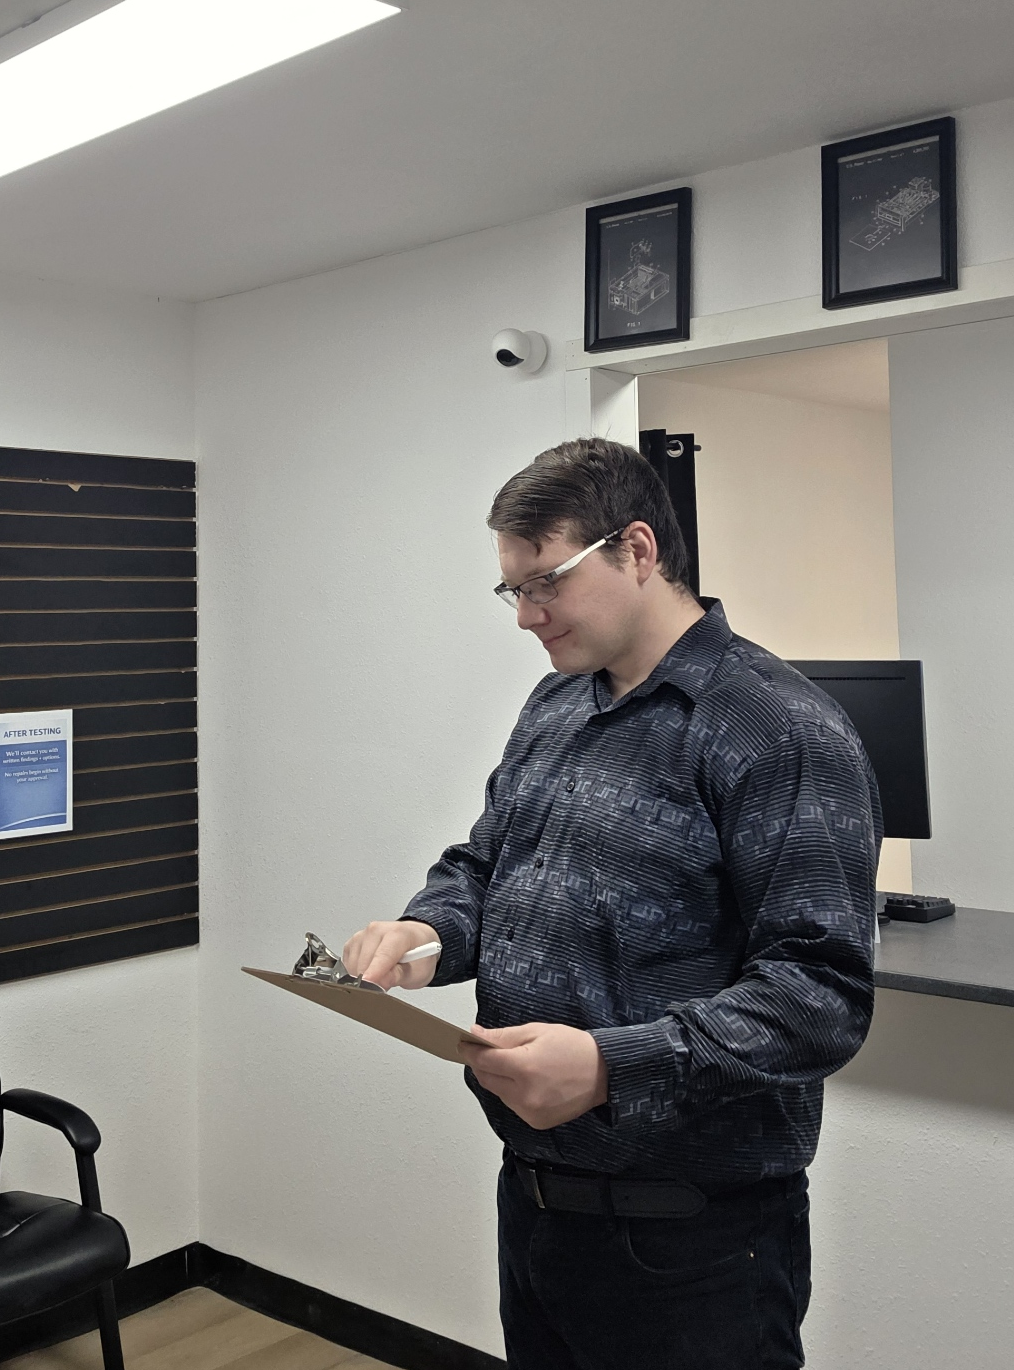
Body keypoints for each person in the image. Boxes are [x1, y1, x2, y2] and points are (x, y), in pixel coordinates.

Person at [342, 438, 881, 1370]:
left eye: (543, 582)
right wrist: (430, 930)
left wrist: (610, 1068)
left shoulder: (773, 725)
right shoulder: (557, 705)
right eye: (510, 590)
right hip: (540, 1209)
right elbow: (482, 862)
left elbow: (819, 996)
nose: (525, 616)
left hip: (694, 1243)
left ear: (636, 550)